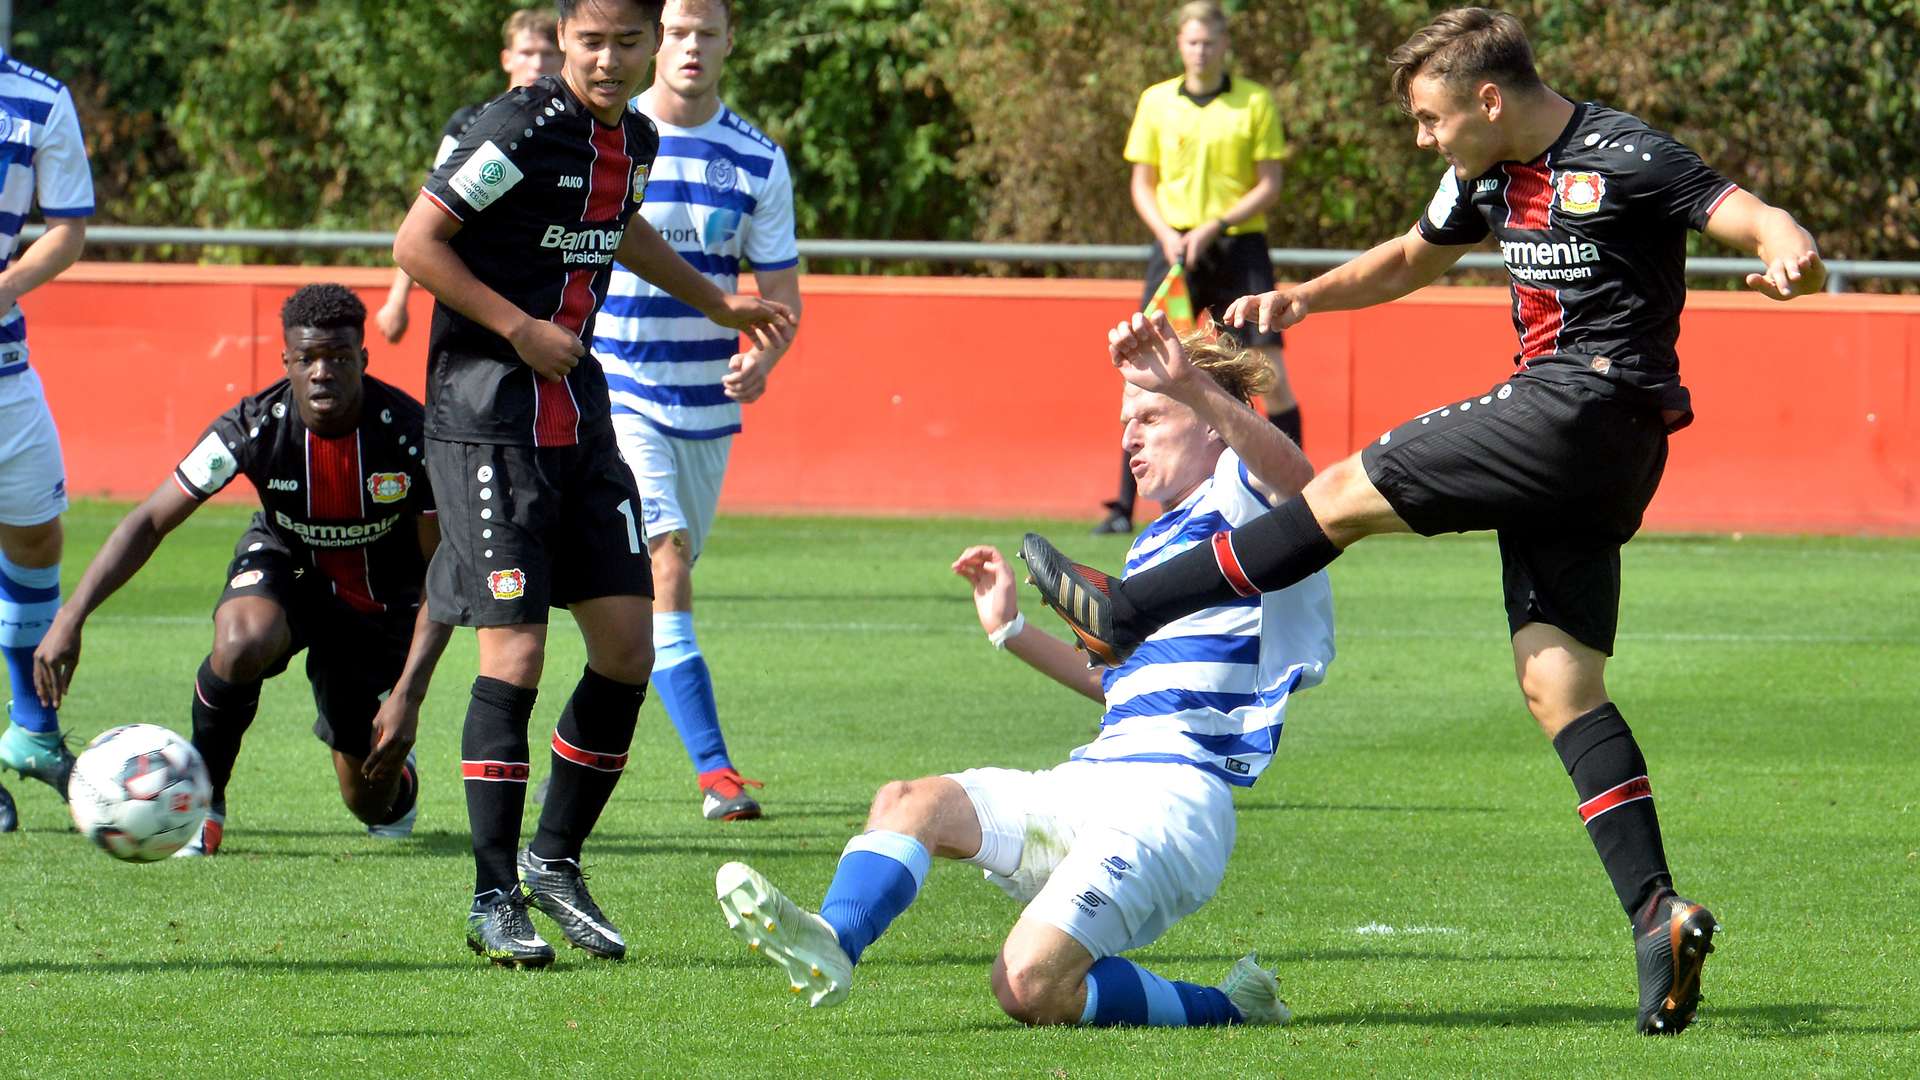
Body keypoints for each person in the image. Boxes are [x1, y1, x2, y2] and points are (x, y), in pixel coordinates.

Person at [1023, 6, 1830, 1036]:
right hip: (1598, 458)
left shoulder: (1627, 154)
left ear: (1488, 99)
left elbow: (1752, 216)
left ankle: (1129, 610)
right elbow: (1409, 257)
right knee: (1558, 684)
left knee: (1342, 491)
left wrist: (1791, 255)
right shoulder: (1484, 174)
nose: (1423, 137)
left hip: (1581, 406)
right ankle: (1657, 914)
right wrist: (1303, 297)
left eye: (1429, 117)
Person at [716, 323, 1332, 1029]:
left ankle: (1228, 1008)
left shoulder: (1244, 501)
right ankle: (833, 941)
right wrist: (1011, 631)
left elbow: (1302, 484)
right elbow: (1118, 685)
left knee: (1028, 987)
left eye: (1151, 416)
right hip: (1098, 776)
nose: (1130, 437)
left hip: (1175, 803)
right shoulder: (1155, 540)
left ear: (1216, 426)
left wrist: (1190, 382)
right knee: (911, 802)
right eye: (1125, 422)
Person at [391, 0, 793, 969]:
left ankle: (556, 859)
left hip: (577, 419)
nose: (609, 61)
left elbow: (619, 227)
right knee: (515, 659)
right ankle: (494, 895)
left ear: (650, 43)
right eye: (590, 43)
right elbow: (417, 244)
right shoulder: (514, 127)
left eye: (626, 43)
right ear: (561, 41)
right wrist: (518, 327)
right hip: (488, 422)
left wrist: (719, 301)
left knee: (627, 647)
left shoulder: (638, 138)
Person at [33, 285, 436, 854]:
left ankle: (397, 785)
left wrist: (409, 696)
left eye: (340, 358)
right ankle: (203, 800)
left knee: (369, 799)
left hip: (376, 603)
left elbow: (440, 570)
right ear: (287, 363)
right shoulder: (252, 426)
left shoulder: (411, 437)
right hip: (287, 568)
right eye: (308, 359)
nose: (323, 373)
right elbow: (149, 520)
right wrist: (71, 617)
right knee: (242, 641)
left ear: (363, 359)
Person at [586, 0, 801, 822]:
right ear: (656, 41)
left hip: (706, 407)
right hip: (618, 386)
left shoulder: (756, 159)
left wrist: (763, 357)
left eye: (705, 33)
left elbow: (781, 298)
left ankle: (620, 701)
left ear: (727, 43)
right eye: (675, 32)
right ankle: (716, 771)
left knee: (668, 574)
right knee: (666, 558)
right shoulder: (611, 131)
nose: (689, 47)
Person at [1097, 0, 1296, 536]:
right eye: (1192, 42)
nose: (1201, 51)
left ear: (1224, 45)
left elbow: (1269, 183)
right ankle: (1124, 507)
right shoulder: (1156, 101)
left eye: (1210, 42)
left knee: (1267, 371)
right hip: (1173, 248)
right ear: (1180, 45)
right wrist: (1168, 235)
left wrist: (1216, 223)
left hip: (1237, 248)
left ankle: (1292, 501)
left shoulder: (1253, 101)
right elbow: (1142, 183)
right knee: (1150, 368)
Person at [0, 48, 94, 833]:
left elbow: (66, 229)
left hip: (5, 368)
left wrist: (4, 286)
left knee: (35, 539)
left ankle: (31, 732)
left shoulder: (39, 98)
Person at [374, 8, 563, 345]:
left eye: (547, 54)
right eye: (527, 53)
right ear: (506, 59)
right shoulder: (471, 123)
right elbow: (429, 207)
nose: (537, 64)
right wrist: (397, 298)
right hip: (476, 294)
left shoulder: (576, 128)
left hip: (551, 296)